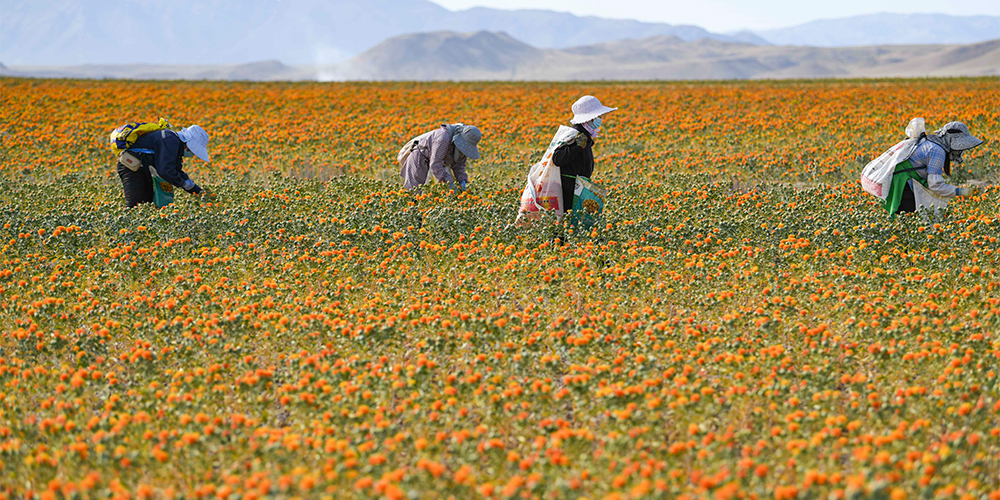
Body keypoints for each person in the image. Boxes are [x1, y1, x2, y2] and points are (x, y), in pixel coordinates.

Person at [885, 121, 983, 216]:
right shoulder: (937, 151)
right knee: (911, 217)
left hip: (900, 181)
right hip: (903, 184)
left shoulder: (931, 143)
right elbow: (935, 185)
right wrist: (960, 191)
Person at [118, 125, 210, 208]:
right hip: (131, 166)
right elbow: (165, 170)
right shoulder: (171, 140)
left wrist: (197, 190)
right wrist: (183, 183)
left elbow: (175, 169)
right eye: (192, 149)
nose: (191, 152)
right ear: (188, 144)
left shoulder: (175, 145)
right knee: (134, 205)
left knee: (146, 205)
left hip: (141, 168)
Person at [553, 96, 617, 214]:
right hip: (569, 189)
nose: (600, 119)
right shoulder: (575, 134)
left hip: (578, 187)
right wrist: (577, 147)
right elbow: (557, 159)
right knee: (570, 220)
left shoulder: (584, 135)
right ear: (590, 118)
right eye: (598, 116)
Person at [398, 123, 481, 190]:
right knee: (415, 190)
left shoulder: (463, 146)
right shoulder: (443, 139)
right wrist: (450, 183)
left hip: (436, 163)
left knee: (435, 192)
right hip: (420, 157)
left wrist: (462, 180)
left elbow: (459, 164)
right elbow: (435, 164)